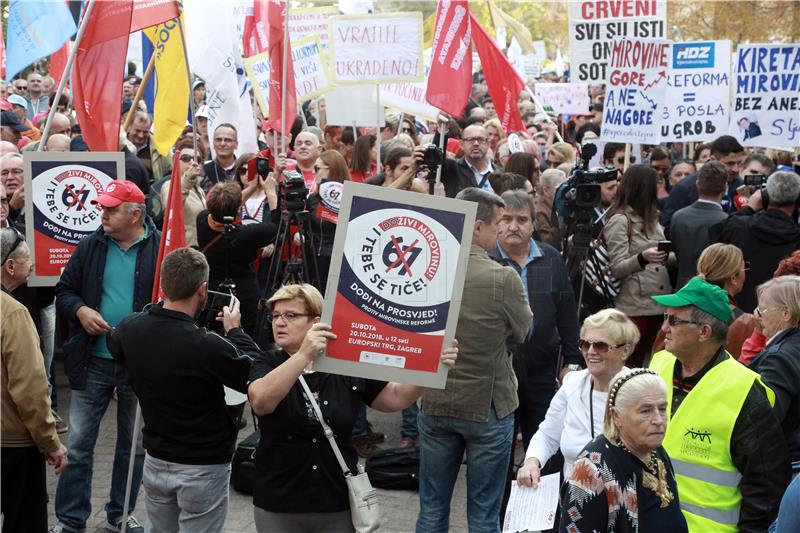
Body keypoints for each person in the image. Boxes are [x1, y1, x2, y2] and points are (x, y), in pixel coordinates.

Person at [247, 283, 457, 532]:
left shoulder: (343, 363)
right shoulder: (267, 361)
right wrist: (302, 355)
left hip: (336, 500)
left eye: (290, 315)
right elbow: (261, 401)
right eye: (276, 316)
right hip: (278, 501)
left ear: (316, 322)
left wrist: (433, 369)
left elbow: (394, 397)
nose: (279, 322)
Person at [109, 247, 261, 532]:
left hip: (156, 461)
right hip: (202, 466)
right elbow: (257, 373)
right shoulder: (207, 345)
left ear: (163, 286)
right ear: (202, 290)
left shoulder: (131, 328)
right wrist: (236, 331)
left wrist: (153, 312)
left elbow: (114, 342)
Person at [417, 188, 533, 532]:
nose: (500, 232)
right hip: (489, 405)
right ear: (477, 226)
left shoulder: (425, 267)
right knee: (483, 514)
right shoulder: (503, 277)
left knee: (432, 508)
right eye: (497, 224)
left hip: (434, 398)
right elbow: (524, 332)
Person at [53, 180, 160, 533]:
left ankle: (120, 513)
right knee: (80, 445)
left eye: (111, 209)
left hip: (140, 364)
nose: (103, 214)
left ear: (135, 214)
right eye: (103, 207)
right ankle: (71, 520)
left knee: (134, 447)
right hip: (93, 361)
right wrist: (81, 310)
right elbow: (65, 291)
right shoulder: (90, 246)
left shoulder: (161, 247)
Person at [649, 277, 790, 532]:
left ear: (704, 332)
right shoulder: (658, 365)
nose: (664, 328)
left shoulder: (744, 390)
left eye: (674, 320)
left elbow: (766, 489)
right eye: (665, 317)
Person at [491, 190, 581, 448]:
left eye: (521, 220)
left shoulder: (550, 257)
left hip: (542, 370)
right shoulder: (487, 259)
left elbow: (567, 314)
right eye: (506, 219)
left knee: (543, 447)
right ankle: (504, 491)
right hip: (498, 371)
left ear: (533, 224)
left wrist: (573, 362)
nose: (513, 226)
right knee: (500, 450)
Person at [517, 309, 639, 486]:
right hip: (573, 501)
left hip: (621, 500)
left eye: (601, 345)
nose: (590, 351)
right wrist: (531, 461)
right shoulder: (572, 384)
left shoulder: (639, 390)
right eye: (584, 344)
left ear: (625, 351)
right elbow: (547, 435)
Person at [559, 368, 687, 533]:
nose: (658, 420)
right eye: (645, 411)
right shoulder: (589, 473)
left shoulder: (657, 452)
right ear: (616, 416)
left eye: (662, 409)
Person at [1, 228, 68, 533]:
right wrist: (50, 442)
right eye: (28, 258)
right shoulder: (13, 314)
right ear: (10, 266)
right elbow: (29, 389)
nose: (33, 265)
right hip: (13, 445)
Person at [603, 164, 674, 367]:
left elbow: (662, 258)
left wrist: (667, 255)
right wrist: (642, 258)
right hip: (634, 306)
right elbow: (617, 268)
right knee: (630, 364)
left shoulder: (653, 218)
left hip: (659, 303)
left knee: (656, 363)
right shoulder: (620, 220)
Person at [712, 170, 800, 312]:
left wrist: (749, 208)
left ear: (766, 197)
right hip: (781, 316)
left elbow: (715, 233)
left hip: (736, 313)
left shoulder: (738, 226)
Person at [196, 182, 276, 336]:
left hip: (211, 292)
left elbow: (221, 207)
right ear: (239, 206)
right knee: (249, 336)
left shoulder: (202, 220)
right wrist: (270, 193)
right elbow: (277, 226)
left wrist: (251, 188)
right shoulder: (248, 234)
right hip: (244, 296)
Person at [655, 244, 756, 359]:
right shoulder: (744, 323)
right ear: (733, 278)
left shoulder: (678, 309)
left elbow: (657, 354)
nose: (665, 327)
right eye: (744, 267)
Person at [749, 276, 800, 469]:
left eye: (762, 310)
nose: (757, 316)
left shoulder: (778, 358)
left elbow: (764, 420)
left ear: (786, 313)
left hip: (789, 463)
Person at [661, 135, 745, 233]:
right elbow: (669, 226)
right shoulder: (685, 187)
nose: (736, 169)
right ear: (713, 159)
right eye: (729, 164)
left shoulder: (739, 185)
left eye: (739, 163)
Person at [670, 161, 729, 286]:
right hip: (712, 291)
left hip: (683, 289)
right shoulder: (726, 221)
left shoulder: (678, 217)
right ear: (725, 187)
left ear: (697, 184)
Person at [437, 124, 499, 197]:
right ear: (462, 144)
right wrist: (442, 128)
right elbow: (437, 157)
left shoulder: (500, 173)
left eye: (480, 139)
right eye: (471, 139)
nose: (476, 143)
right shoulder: (452, 169)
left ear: (488, 144)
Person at [202, 123, 239, 192]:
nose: (222, 144)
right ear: (213, 144)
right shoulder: (203, 171)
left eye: (228, 140)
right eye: (218, 140)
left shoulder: (243, 171)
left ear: (236, 144)